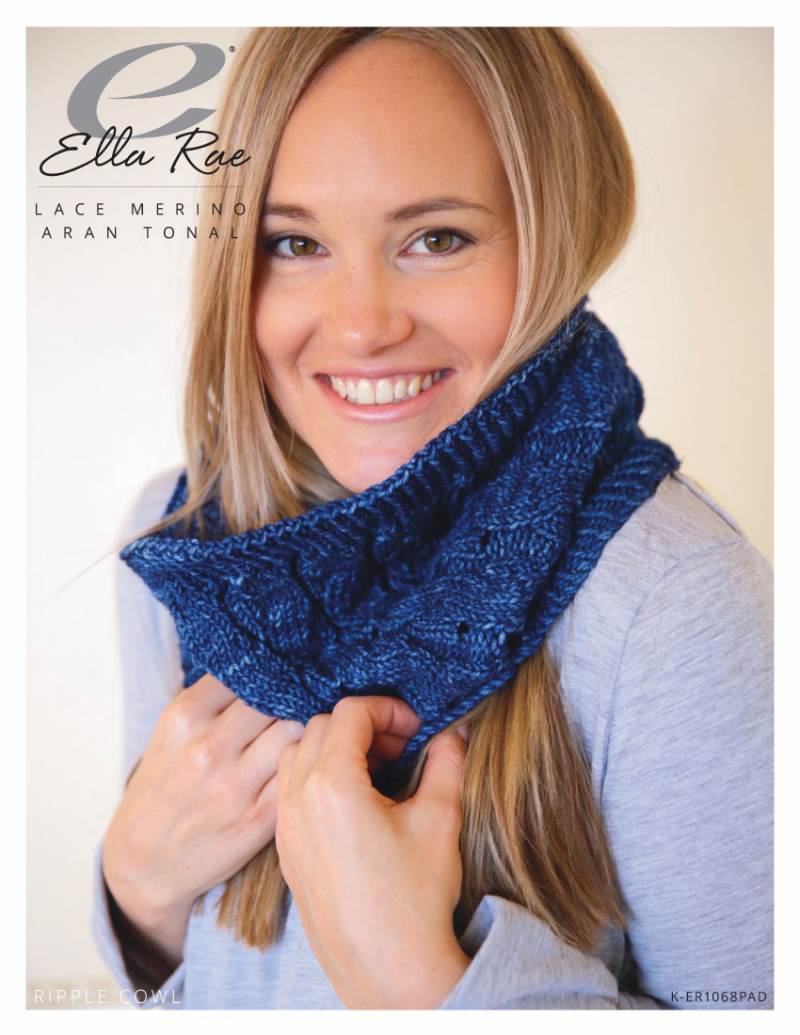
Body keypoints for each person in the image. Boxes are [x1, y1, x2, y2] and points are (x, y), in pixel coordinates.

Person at [90, 27, 773, 1010]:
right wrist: (138, 892)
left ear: (553, 239)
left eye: (436, 238)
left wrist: (420, 984)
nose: (361, 324)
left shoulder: (675, 600)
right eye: (295, 243)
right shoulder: (184, 542)